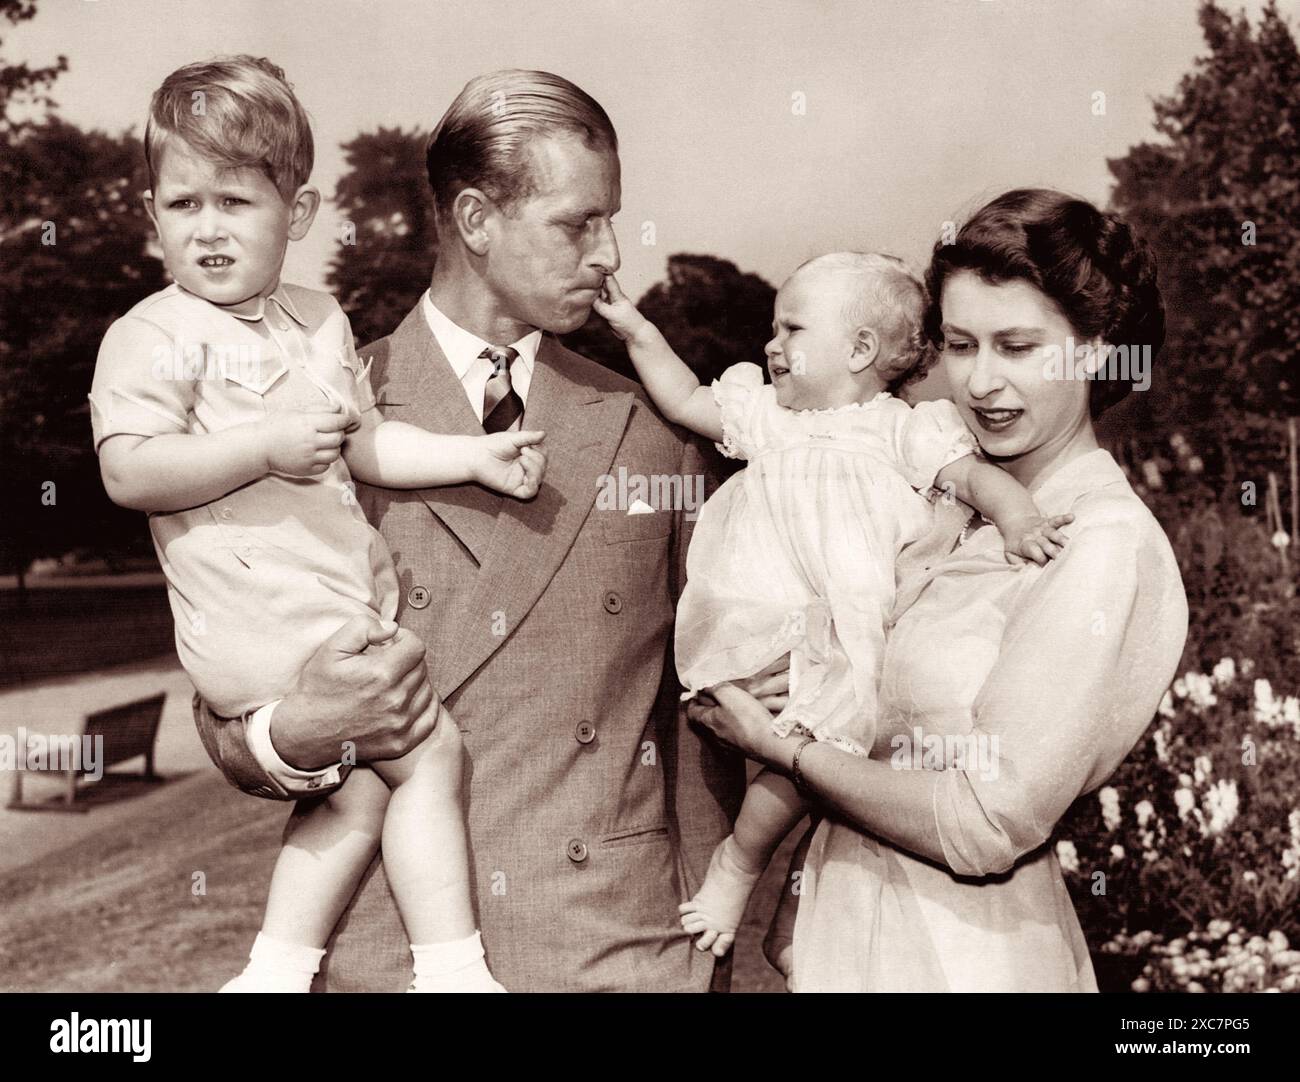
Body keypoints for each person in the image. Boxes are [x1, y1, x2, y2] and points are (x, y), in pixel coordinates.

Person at [191, 69, 751, 991]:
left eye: (611, 219)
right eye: (580, 222)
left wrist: (701, 941)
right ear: (477, 220)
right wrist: (291, 731)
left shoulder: (652, 428)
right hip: (391, 952)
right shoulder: (318, 417)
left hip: (618, 951)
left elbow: (700, 710)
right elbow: (227, 674)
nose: (610, 252)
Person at [91, 56, 550, 992]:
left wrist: (469, 456)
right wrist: (261, 447)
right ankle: (454, 971)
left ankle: (272, 973)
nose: (209, 228)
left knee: (362, 795)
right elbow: (127, 470)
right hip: (260, 620)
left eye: (237, 202)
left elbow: (365, 444)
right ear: (152, 219)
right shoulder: (150, 332)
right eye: (184, 206)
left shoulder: (316, 318)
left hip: (328, 613)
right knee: (433, 753)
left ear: (295, 216)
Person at [689, 189, 1189, 991]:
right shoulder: (945, 499)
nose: (982, 382)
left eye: (1018, 347)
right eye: (961, 345)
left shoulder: (1101, 544)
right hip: (845, 934)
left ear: (1095, 351)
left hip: (965, 956)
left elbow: (988, 823)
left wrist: (781, 747)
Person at [593, 254, 1073, 956]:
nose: (770, 345)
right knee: (755, 723)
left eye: (791, 329)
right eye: (774, 328)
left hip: (846, 624)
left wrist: (1021, 519)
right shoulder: (767, 417)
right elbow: (686, 397)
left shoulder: (902, 430)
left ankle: (742, 865)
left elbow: (974, 481)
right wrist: (635, 330)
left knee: (819, 746)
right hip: (758, 612)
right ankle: (783, 897)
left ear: (860, 350)